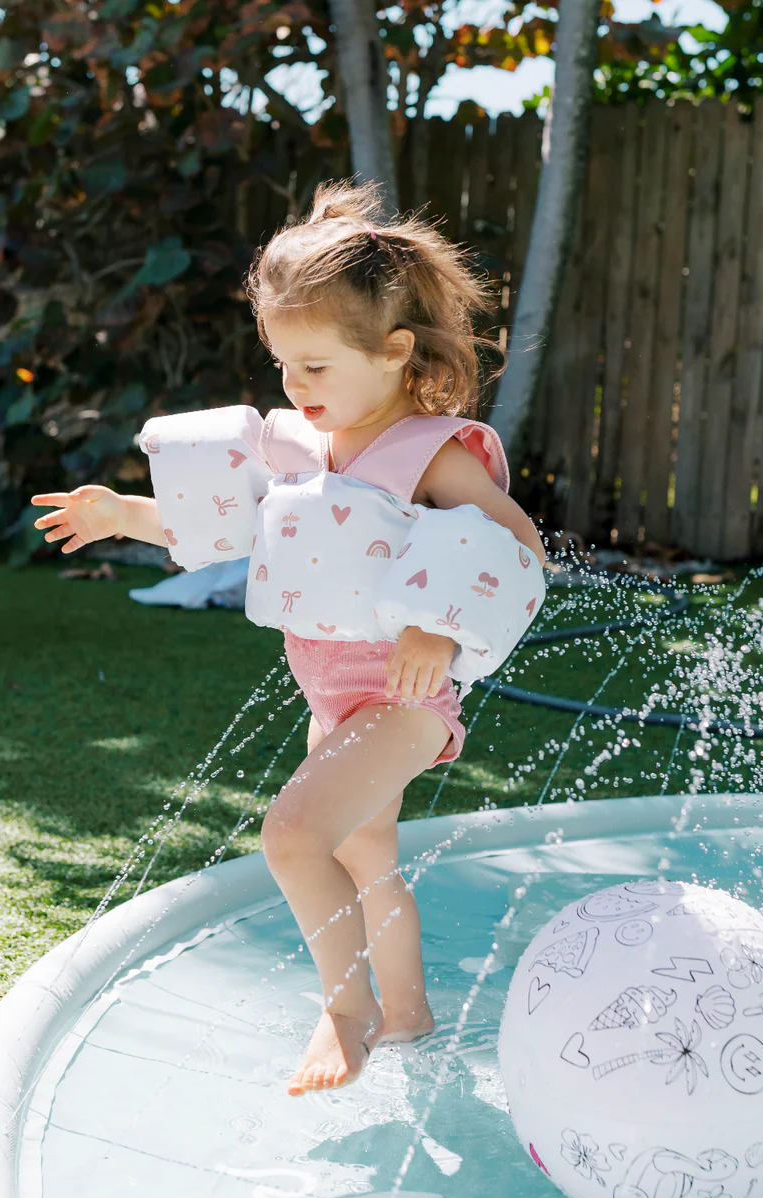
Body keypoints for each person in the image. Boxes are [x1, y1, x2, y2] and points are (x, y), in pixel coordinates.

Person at [31, 180, 547, 1097]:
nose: (295, 388)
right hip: (331, 692)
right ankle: (408, 1011)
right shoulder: (299, 447)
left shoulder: (432, 452)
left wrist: (436, 624)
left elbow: (515, 545)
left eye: (316, 366)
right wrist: (125, 514)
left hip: (403, 692)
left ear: (394, 353)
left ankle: (344, 1011)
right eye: (282, 366)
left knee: (293, 834)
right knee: (365, 854)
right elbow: (225, 526)